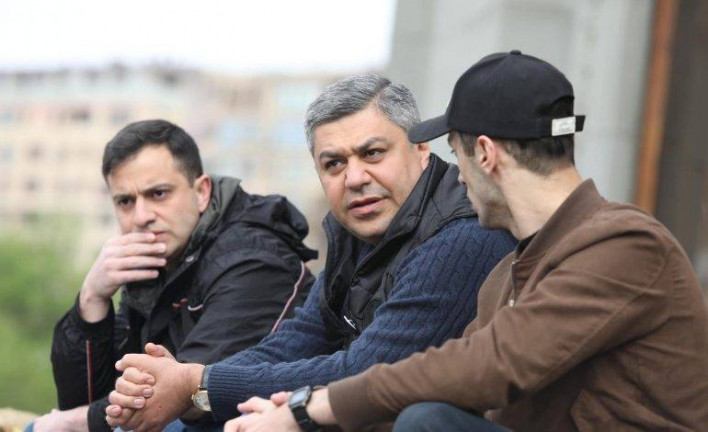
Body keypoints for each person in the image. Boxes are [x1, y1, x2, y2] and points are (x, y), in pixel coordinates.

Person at [225, 51, 708, 432]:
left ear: (485, 154)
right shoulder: (507, 274)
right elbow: (442, 377)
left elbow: (492, 364)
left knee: (428, 423)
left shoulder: (626, 244)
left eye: (455, 156)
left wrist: (312, 407)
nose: (456, 177)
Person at [103, 75, 517, 431]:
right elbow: (298, 341)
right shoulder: (357, 230)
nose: (354, 178)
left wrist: (197, 384)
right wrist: (191, 386)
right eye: (334, 164)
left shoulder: (462, 235)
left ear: (421, 149)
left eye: (372, 153)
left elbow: (366, 372)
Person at [31, 119, 317, 432]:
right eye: (125, 201)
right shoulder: (153, 261)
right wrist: (92, 298)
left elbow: (179, 395)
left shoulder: (254, 261)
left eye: (158, 194)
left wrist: (78, 421)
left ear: (202, 192)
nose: (141, 217)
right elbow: (83, 399)